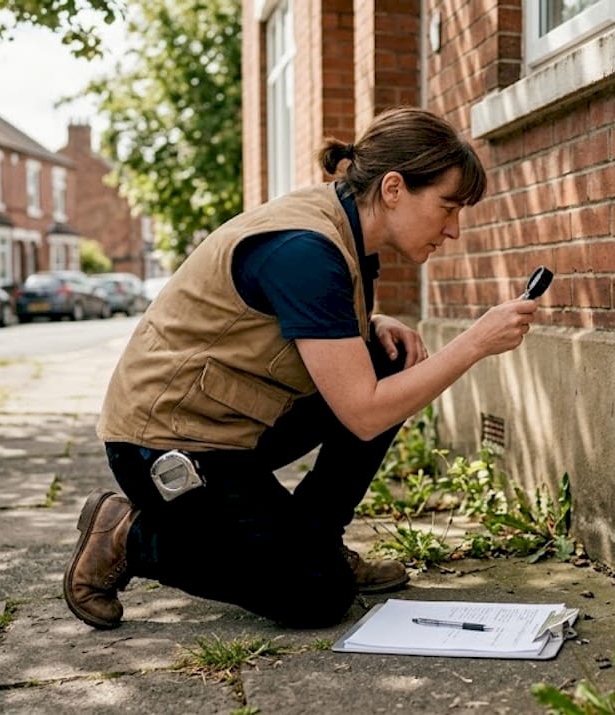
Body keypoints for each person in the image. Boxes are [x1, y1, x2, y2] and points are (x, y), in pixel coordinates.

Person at [63, 107, 538, 630]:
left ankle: (314, 538)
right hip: (166, 445)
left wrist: (371, 323)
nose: (454, 229)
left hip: (232, 427)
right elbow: (361, 413)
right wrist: (473, 343)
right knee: (316, 596)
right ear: (395, 188)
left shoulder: (347, 228)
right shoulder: (306, 249)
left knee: (389, 359)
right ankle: (126, 534)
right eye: (448, 207)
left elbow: (285, 315)